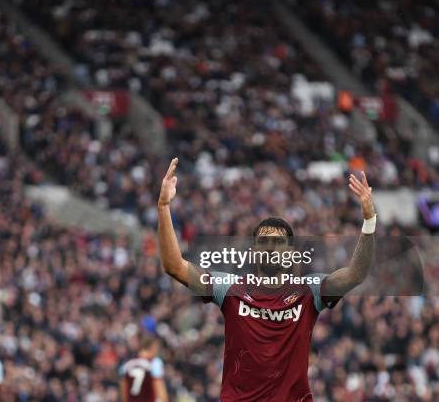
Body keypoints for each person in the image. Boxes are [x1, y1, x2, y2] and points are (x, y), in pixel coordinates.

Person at [156, 158, 376, 401]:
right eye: (264, 241)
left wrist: (369, 220)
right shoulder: (229, 288)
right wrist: (164, 207)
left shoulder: (310, 291)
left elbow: (356, 274)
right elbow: (173, 266)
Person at [119, 337, 169, 402]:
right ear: (154, 347)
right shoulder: (154, 363)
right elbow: (160, 391)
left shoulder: (126, 364)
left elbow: (123, 392)